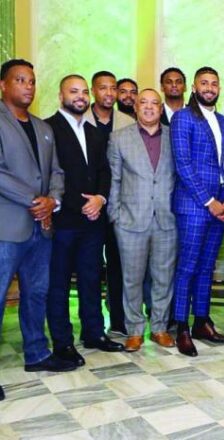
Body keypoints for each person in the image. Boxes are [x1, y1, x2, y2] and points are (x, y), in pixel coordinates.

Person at [0, 60, 75, 395]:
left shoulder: (43, 127)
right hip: (7, 226)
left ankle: (37, 353)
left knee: (37, 292)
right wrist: (35, 200)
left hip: (41, 227)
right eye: (20, 80)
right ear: (3, 85)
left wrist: (52, 200)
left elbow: (57, 171)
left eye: (31, 81)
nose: (28, 86)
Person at [46, 74, 123, 363]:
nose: (80, 97)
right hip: (63, 221)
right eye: (73, 91)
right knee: (59, 283)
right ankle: (62, 342)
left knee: (91, 279)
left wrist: (100, 198)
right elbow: (50, 174)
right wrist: (80, 204)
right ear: (61, 95)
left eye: (83, 92)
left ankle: (94, 332)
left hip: (93, 221)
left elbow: (104, 171)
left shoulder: (94, 132)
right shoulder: (48, 128)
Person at [108, 89, 177, 352]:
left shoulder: (174, 137)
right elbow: (114, 180)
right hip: (130, 222)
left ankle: (159, 327)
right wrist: (115, 216)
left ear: (161, 108)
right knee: (132, 280)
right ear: (135, 107)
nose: (149, 107)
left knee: (163, 279)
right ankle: (134, 330)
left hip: (167, 221)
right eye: (143, 103)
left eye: (154, 103)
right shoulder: (119, 138)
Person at [171, 66, 224, 357]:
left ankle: (202, 321)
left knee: (207, 267)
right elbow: (183, 164)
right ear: (194, 88)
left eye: (214, 83)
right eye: (204, 83)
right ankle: (181, 327)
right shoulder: (183, 118)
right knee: (187, 267)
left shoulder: (223, 121)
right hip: (194, 206)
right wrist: (209, 201)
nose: (210, 88)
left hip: (220, 206)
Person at [83, 71, 134, 337]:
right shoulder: (80, 119)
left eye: (113, 88)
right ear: (93, 91)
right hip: (88, 205)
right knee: (90, 267)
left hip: (120, 205)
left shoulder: (127, 121)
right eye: (103, 88)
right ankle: (91, 325)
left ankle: (118, 319)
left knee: (118, 265)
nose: (109, 93)